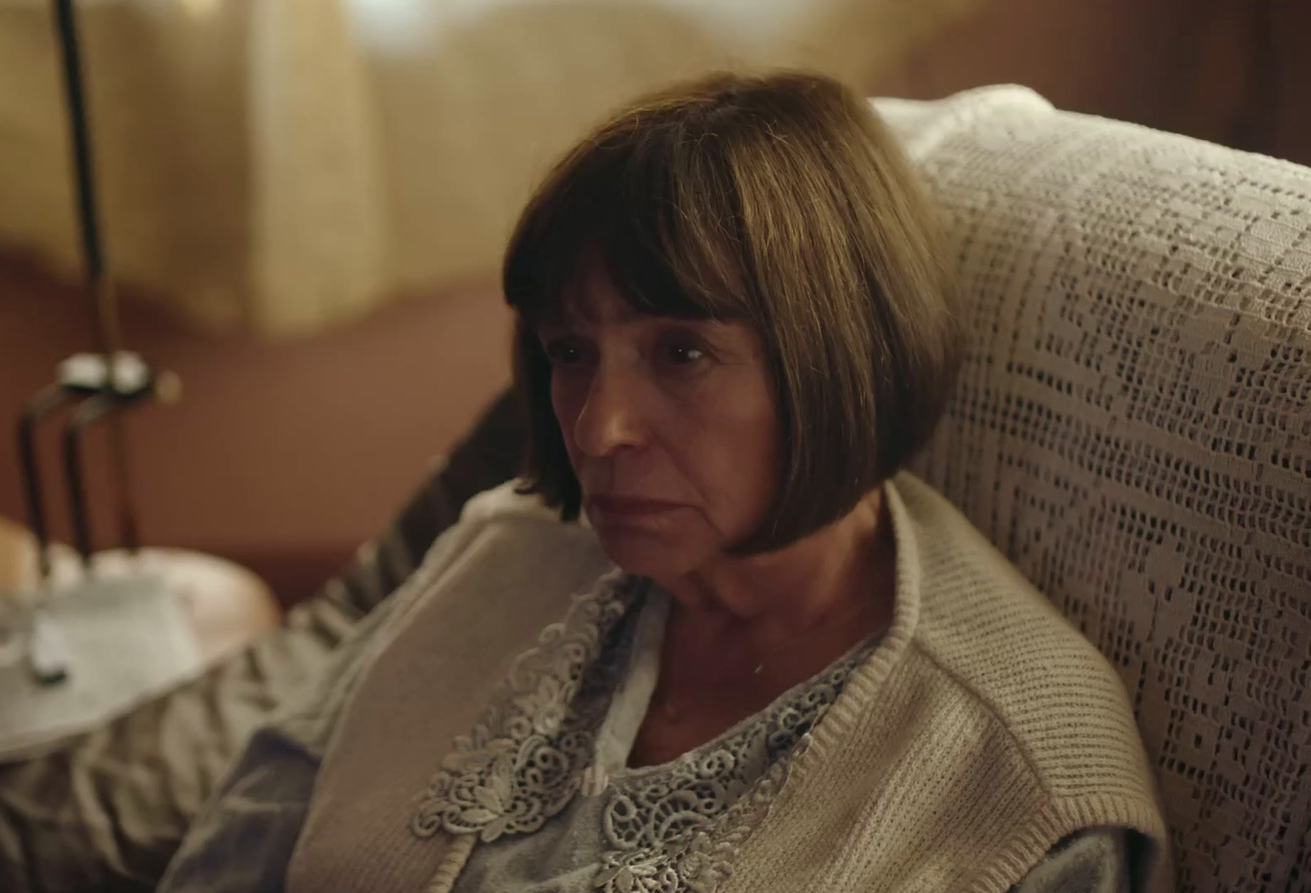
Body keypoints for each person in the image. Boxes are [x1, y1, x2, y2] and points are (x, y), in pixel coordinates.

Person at [157, 70, 1170, 893]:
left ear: (839, 353)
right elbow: (244, 842)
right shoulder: (500, 549)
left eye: (680, 353)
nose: (599, 427)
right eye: (569, 351)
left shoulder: (1022, 782)